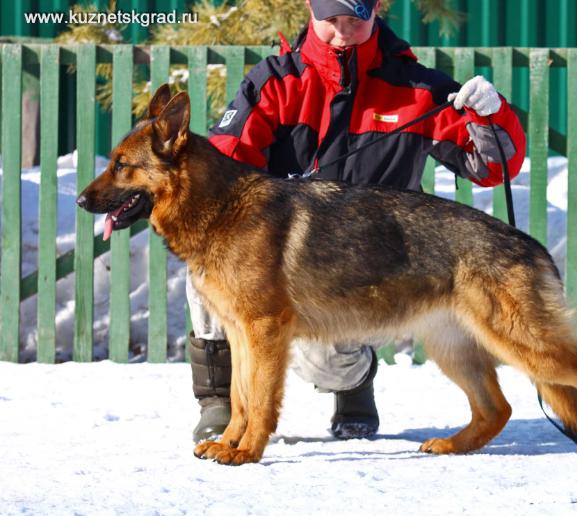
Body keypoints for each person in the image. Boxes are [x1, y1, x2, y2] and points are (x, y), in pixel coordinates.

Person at [187, 0, 527, 444]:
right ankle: (218, 402)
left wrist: (491, 116)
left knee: (328, 361)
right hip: (285, 268)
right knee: (209, 270)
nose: (342, 33)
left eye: (355, 21)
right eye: (330, 21)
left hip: (372, 276)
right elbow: (224, 170)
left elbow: (489, 167)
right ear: (310, 10)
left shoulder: (418, 88)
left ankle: (355, 384)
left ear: (378, 9)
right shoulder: (274, 82)